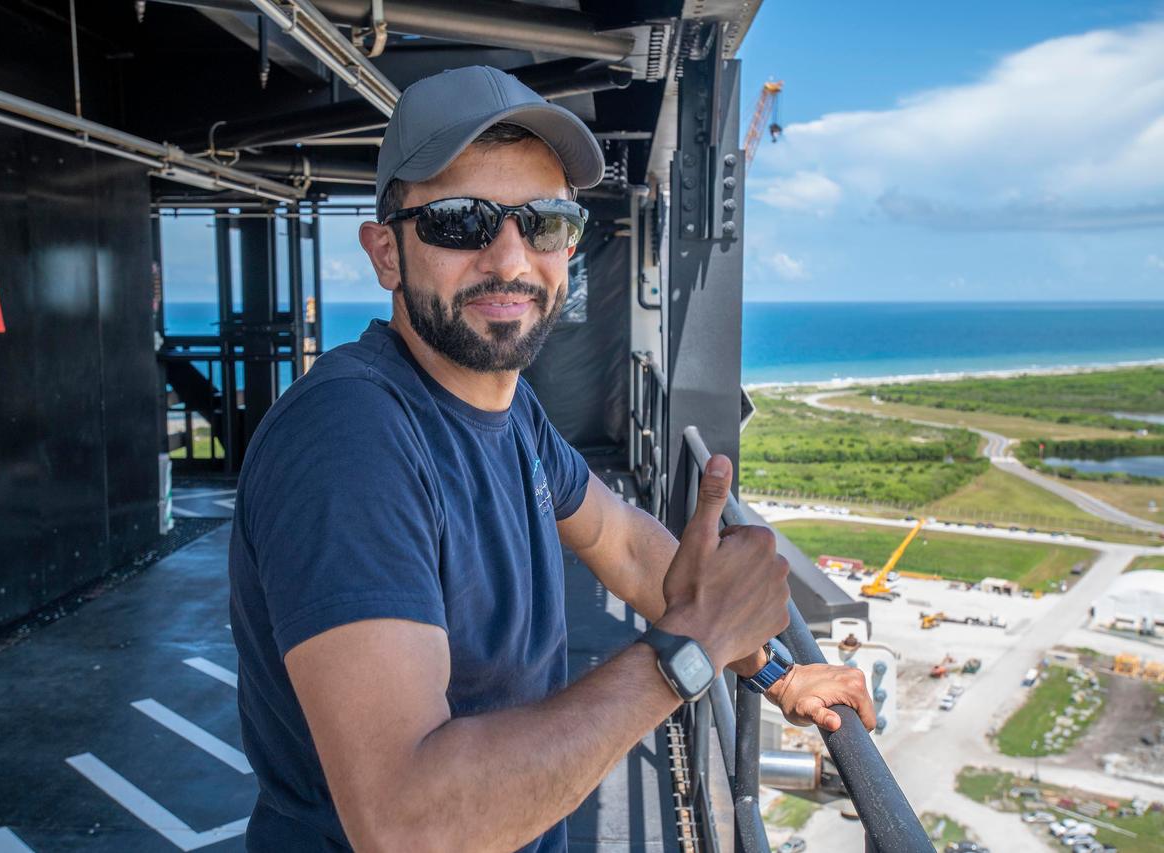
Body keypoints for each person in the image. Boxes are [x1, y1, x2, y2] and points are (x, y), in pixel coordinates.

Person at [228, 65, 876, 852]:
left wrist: (773, 669)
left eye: (544, 223)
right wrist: (690, 648)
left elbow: (624, 543)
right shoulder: (350, 439)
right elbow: (408, 822)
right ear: (386, 253)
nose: (510, 260)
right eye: (462, 222)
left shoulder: (506, 406)